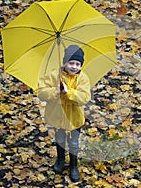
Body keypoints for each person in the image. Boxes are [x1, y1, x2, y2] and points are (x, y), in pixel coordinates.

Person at [37, 45, 91, 182]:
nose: (74, 67)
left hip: (74, 119)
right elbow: (41, 93)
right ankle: (60, 159)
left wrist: (68, 93)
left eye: (77, 64)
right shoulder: (55, 75)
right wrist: (55, 91)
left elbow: (84, 98)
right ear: (64, 62)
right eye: (71, 63)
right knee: (60, 140)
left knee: (73, 143)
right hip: (57, 117)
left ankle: (73, 165)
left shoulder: (83, 78)